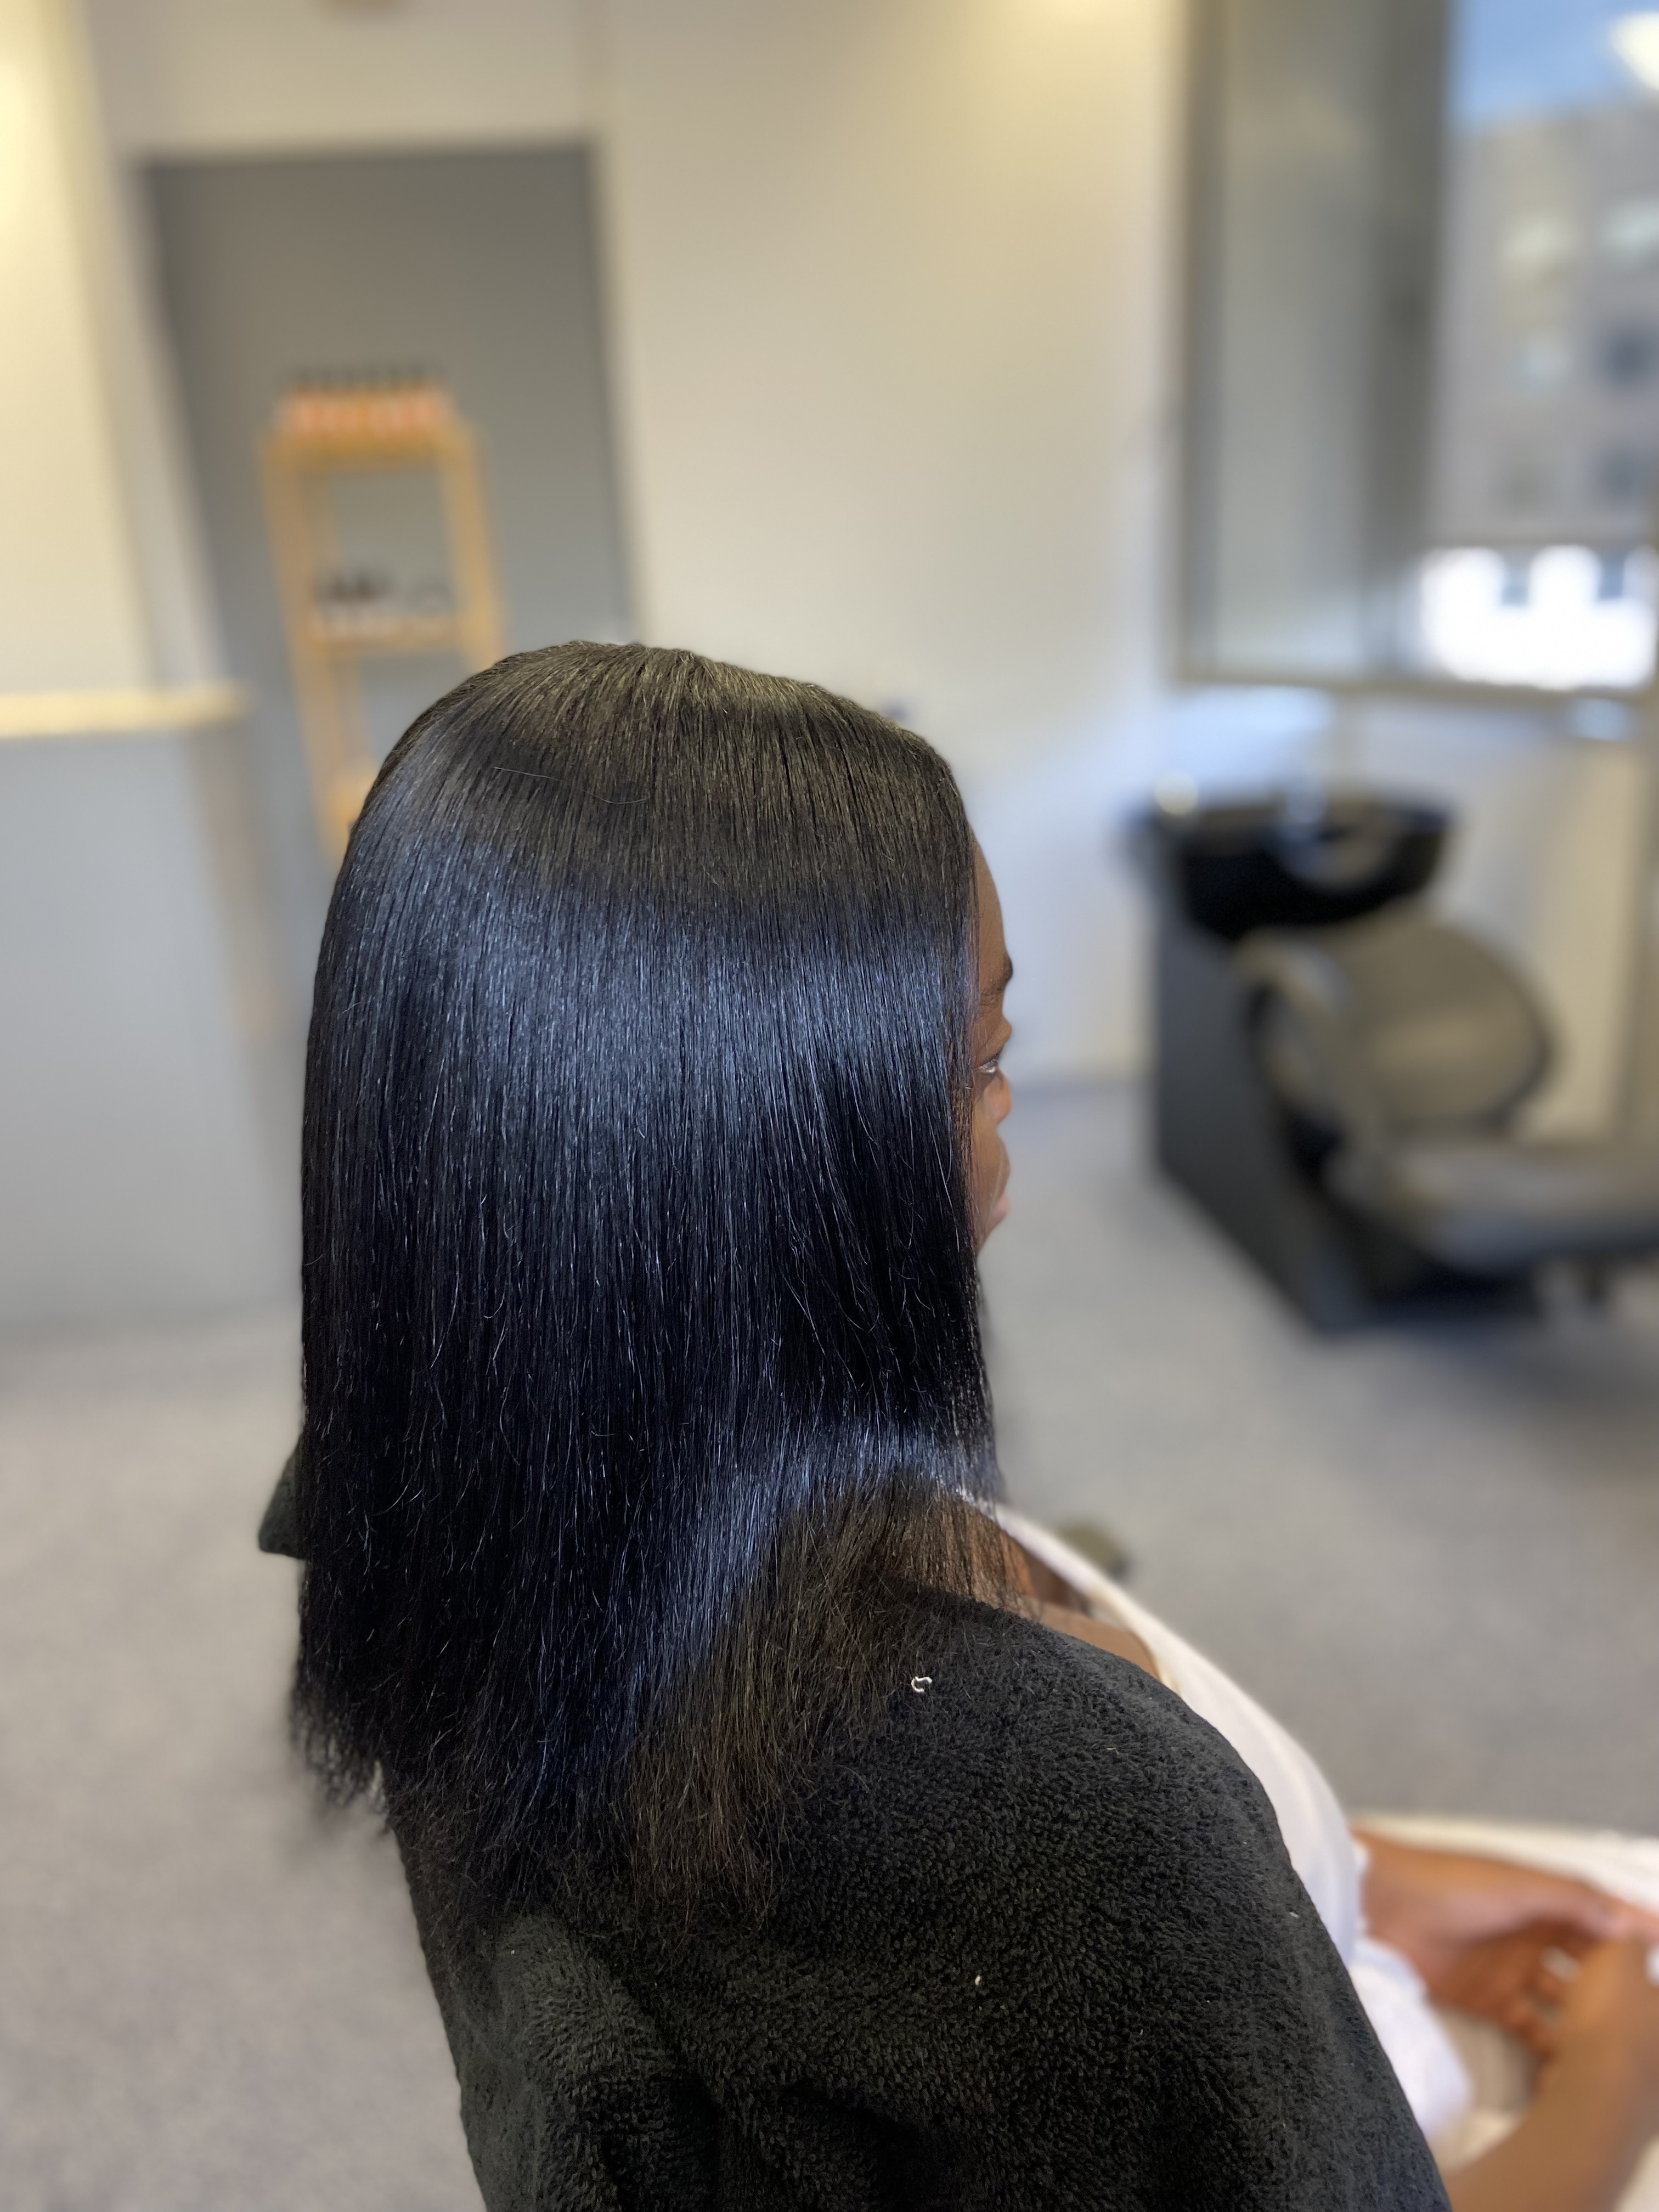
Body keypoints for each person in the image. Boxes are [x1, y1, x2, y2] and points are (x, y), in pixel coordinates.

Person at [263, 641, 1628, 2209]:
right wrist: (1617, 2062)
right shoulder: (1077, 1830)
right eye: (984, 1065)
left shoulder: (440, 1520)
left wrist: (1352, 1878)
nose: (1008, 1138)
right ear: (786, 1164)